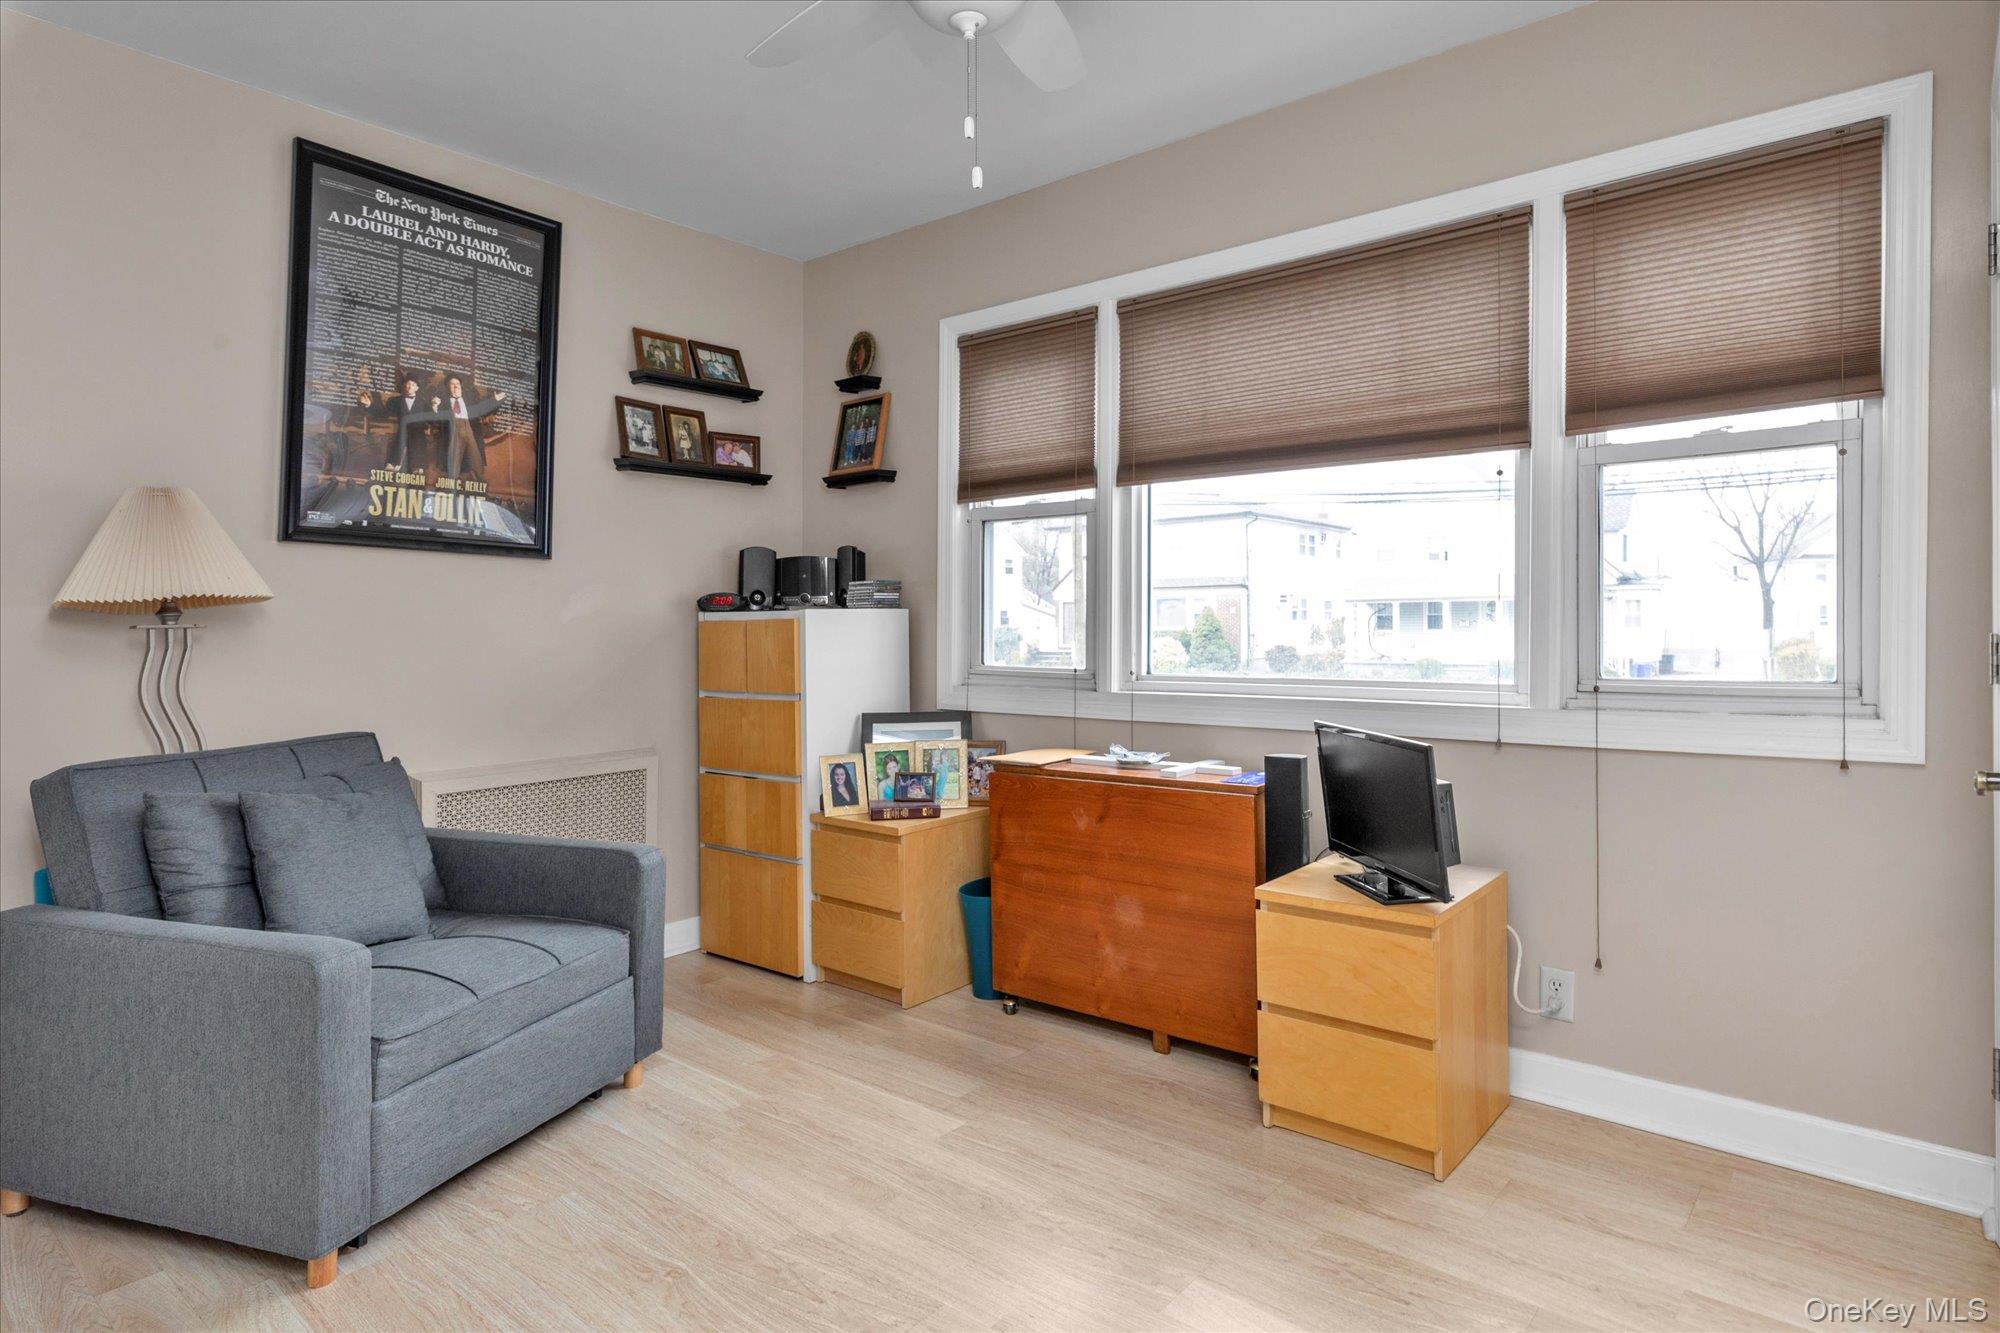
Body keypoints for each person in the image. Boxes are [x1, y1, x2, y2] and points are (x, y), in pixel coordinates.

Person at [435, 376, 506, 483]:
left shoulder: (468, 401)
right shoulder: (444, 403)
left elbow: (481, 408)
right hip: (454, 430)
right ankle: (452, 481)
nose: (455, 386)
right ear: (448, 388)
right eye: (452, 384)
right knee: (455, 457)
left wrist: (495, 399)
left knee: (475, 456)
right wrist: (435, 406)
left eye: (457, 384)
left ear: (461, 387)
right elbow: (437, 417)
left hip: (469, 429)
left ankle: (479, 479)